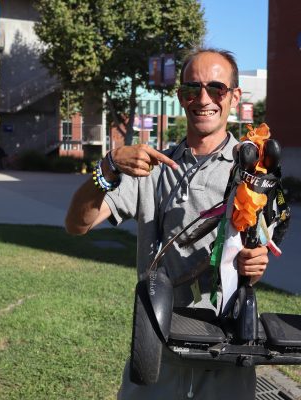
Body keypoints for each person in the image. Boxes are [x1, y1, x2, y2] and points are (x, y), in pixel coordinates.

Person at [65, 48, 269, 399]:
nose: (203, 99)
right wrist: (108, 166)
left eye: (216, 89)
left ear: (234, 97)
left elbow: (257, 248)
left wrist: (256, 263)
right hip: (157, 352)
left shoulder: (256, 172)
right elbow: (76, 225)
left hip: (226, 356)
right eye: (192, 89)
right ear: (180, 97)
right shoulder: (151, 167)